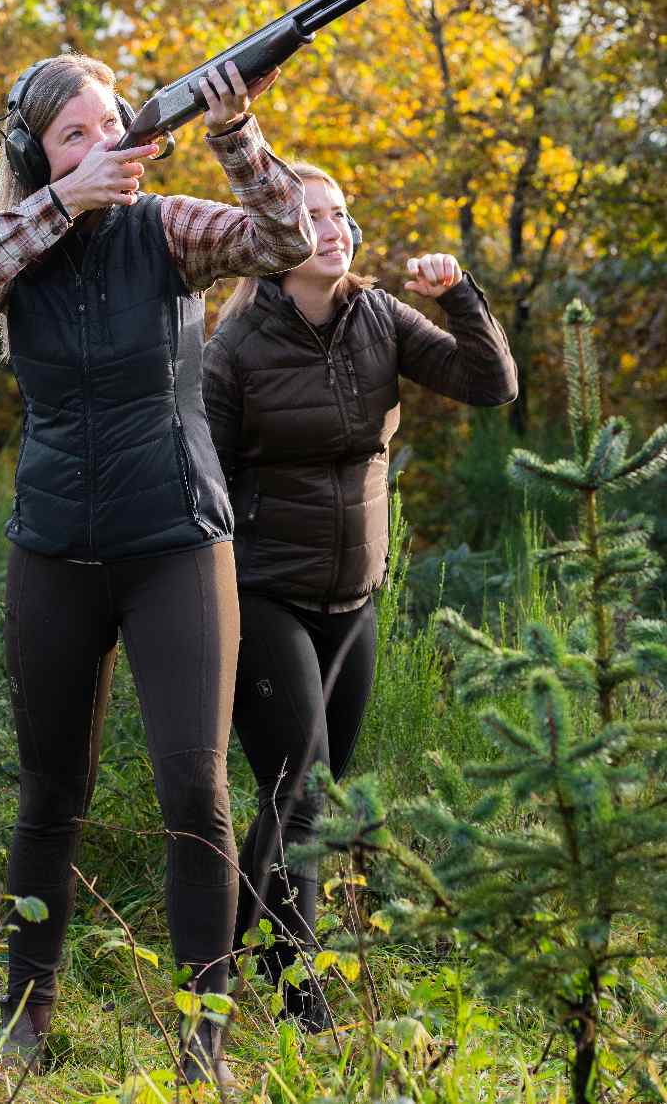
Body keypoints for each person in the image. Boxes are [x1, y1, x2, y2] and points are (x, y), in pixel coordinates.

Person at [0, 53, 315, 1086]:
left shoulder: (166, 226)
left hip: (176, 539)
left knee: (196, 786)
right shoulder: (21, 243)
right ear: (35, 154)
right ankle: (24, 1016)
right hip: (53, 544)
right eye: (73, 134)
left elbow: (287, 240)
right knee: (50, 789)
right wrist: (61, 202)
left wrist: (239, 138)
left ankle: (203, 1044)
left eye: (112, 125)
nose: (104, 145)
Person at [202, 161, 518, 1028]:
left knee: (315, 787)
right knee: (294, 788)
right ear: (275, 238)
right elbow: (209, 483)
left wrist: (461, 298)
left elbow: (491, 386)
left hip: (354, 595)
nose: (337, 229)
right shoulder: (234, 347)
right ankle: (300, 999)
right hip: (264, 591)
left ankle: (222, 968)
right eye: (315, 216)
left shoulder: (379, 317)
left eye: (344, 214)